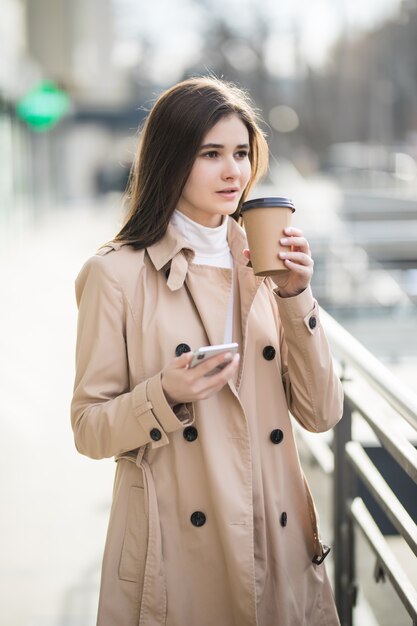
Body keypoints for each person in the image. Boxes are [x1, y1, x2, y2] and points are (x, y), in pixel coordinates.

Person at [71, 76, 343, 626]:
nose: (233, 172)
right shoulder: (115, 274)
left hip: (276, 534)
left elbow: (321, 414)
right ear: (172, 159)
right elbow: (88, 428)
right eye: (210, 153)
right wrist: (164, 395)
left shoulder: (267, 263)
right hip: (178, 548)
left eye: (241, 153)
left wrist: (296, 296)